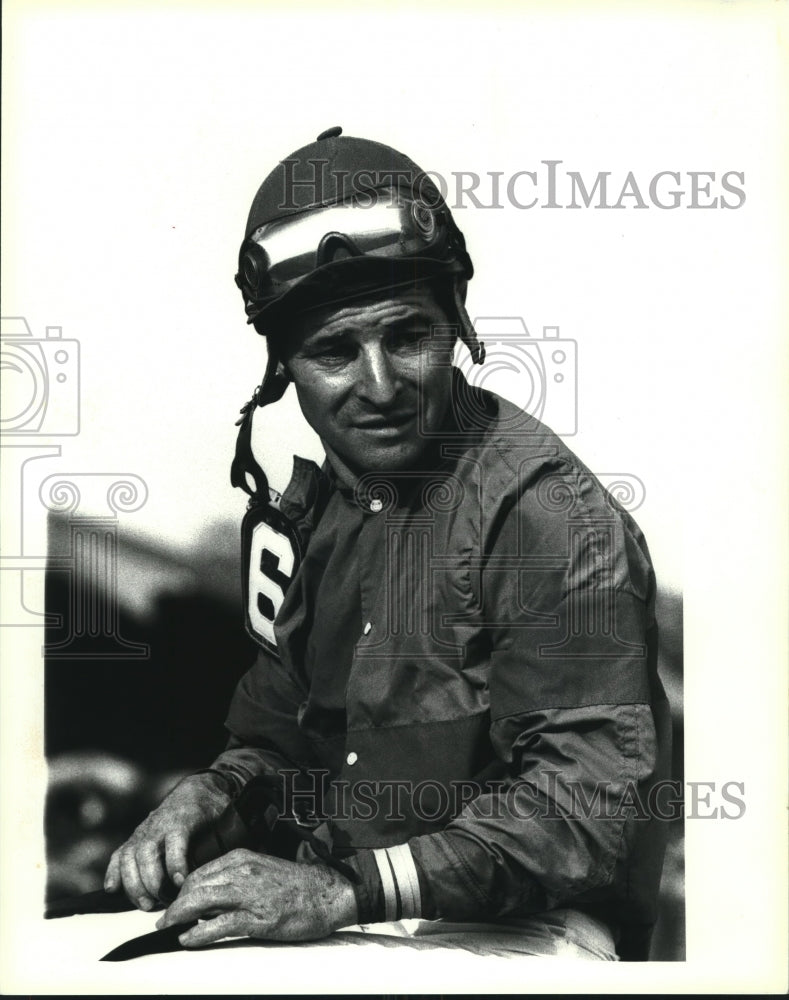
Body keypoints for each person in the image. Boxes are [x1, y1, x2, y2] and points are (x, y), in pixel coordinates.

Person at [104, 128, 671, 961]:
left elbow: (582, 816)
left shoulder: (550, 517)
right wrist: (212, 791)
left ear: (458, 327)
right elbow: (280, 736)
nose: (377, 386)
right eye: (334, 351)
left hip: (527, 931)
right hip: (349, 911)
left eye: (406, 336)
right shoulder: (323, 509)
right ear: (281, 370)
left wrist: (345, 890)